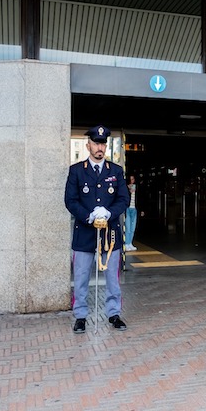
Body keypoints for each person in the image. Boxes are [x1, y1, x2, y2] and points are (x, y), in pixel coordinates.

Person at [65, 125, 130, 333]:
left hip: (110, 234)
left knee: (113, 277)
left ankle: (113, 314)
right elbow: (70, 200)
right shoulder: (76, 171)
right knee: (81, 276)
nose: (99, 147)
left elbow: (124, 199)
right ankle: (81, 316)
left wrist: (109, 213)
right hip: (84, 233)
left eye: (103, 143)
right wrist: (88, 215)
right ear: (88, 145)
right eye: (96, 143)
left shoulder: (116, 171)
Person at [124, 174, 139, 251]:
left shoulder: (136, 188)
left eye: (133, 179)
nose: (132, 181)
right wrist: (128, 190)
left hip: (134, 209)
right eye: (130, 179)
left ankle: (130, 243)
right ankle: (126, 243)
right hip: (127, 209)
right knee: (128, 227)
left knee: (133, 228)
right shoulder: (125, 188)